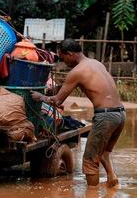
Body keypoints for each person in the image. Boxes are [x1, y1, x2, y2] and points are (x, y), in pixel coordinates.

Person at [31, 39, 125, 187]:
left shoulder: (76, 72)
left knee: (89, 161)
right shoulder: (96, 63)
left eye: (63, 58)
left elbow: (57, 101)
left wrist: (41, 97)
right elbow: (74, 85)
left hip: (105, 117)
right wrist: (55, 89)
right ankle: (112, 179)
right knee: (103, 152)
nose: (63, 62)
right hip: (120, 114)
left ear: (70, 54)